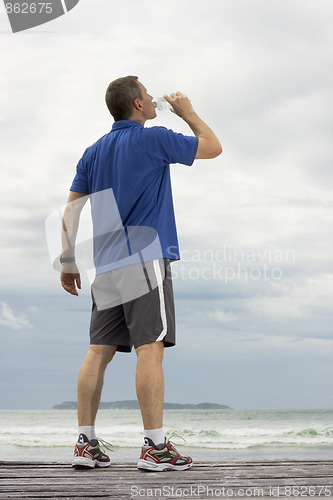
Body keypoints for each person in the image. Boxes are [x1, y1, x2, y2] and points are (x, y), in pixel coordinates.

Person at [60, 75, 222, 471]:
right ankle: (155, 447)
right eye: (148, 96)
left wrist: (67, 261)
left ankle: (86, 443)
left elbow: (70, 211)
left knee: (98, 350)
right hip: (146, 257)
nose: (154, 100)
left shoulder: (93, 151)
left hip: (106, 264)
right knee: (150, 348)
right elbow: (214, 148)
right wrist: (189, 113)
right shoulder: (154, 138)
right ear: (136, 104)